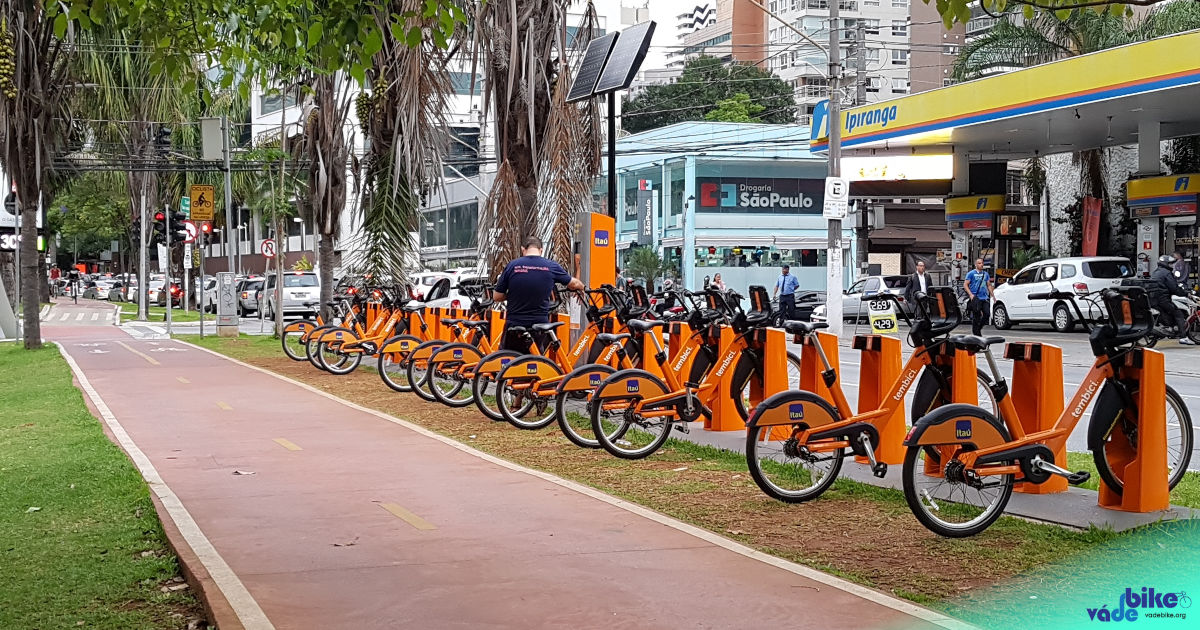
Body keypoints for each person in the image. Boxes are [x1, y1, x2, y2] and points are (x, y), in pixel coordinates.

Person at [492, 236, 584, 353]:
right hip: (539, 325)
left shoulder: (512, 266)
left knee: (507, 360)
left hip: (515, 324)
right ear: (541, 250)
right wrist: (582, 287)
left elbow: (497, 296)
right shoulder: (551, 266)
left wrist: (514, 294)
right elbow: (574, 283)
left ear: (523, 249)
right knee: (536, 361)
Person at [1150, 254, 1194, 344]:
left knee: (1167, 313)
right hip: (1163, 299)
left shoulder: (1156, 272)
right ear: (1165, 264)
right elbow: (1174, 288)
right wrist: (1185, 293)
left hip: (1153, 299)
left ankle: (1168, 328)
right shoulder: (1167, 273)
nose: (1172, 265)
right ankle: (1183, 337)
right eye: (1170, 263)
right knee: (1178, 314)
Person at [964, 258, 993, 336]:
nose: (981, 265)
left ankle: (978, 328)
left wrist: (992, 295)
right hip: (976, 297)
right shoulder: (971, 274)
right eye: (979, 263)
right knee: (977, 315)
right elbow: (965, 284)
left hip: (984, 297)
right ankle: (976, 333)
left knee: (987, 314)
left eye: (982, 263)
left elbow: (989, 285)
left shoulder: (985, 274)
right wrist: (970, 294)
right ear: (976, 265)